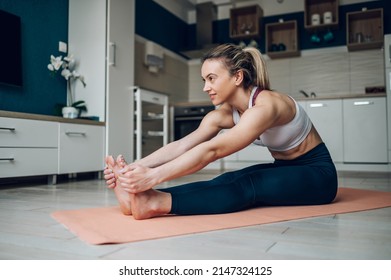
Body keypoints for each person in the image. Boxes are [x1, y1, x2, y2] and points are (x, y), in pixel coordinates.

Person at [103, 43, 338, 220]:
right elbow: (183, 145)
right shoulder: (224, 114)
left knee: (248, 184)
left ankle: (155, 203)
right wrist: (134, 170)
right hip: (286, 170)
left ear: (237, 77)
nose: (206, 87)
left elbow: (213, 150)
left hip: (318, 176)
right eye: (204, 79)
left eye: (212, 79)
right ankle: (144, 198)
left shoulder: (267, 106)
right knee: (230, 178)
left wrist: (153, 176)